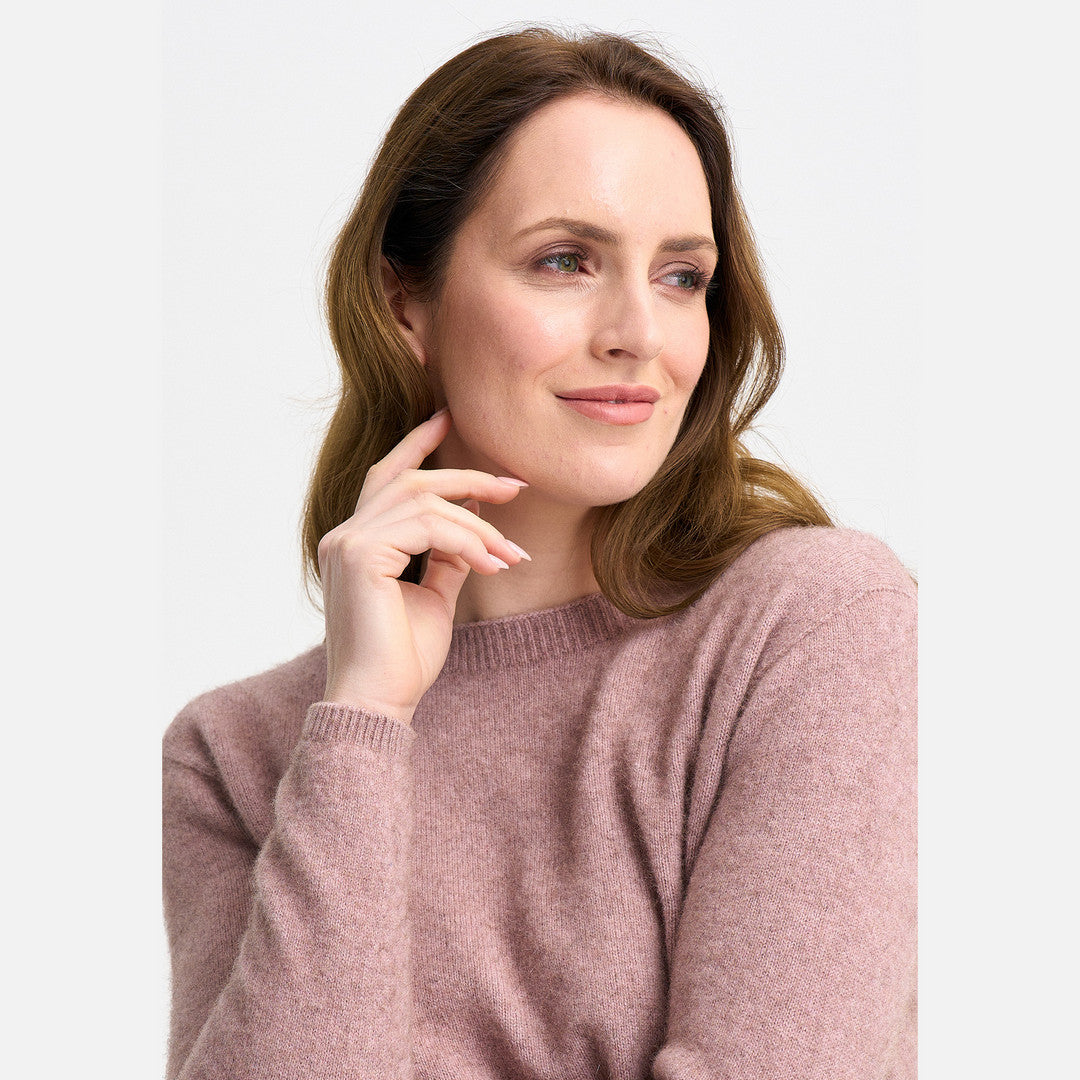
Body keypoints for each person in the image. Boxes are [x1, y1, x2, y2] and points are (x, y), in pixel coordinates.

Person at [162, 26, 916, 1080]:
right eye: (565, 261)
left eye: (682, 276)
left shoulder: (810, 627)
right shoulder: (235, 754)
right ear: (404, 302)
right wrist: (364, 719)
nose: (638, 333)